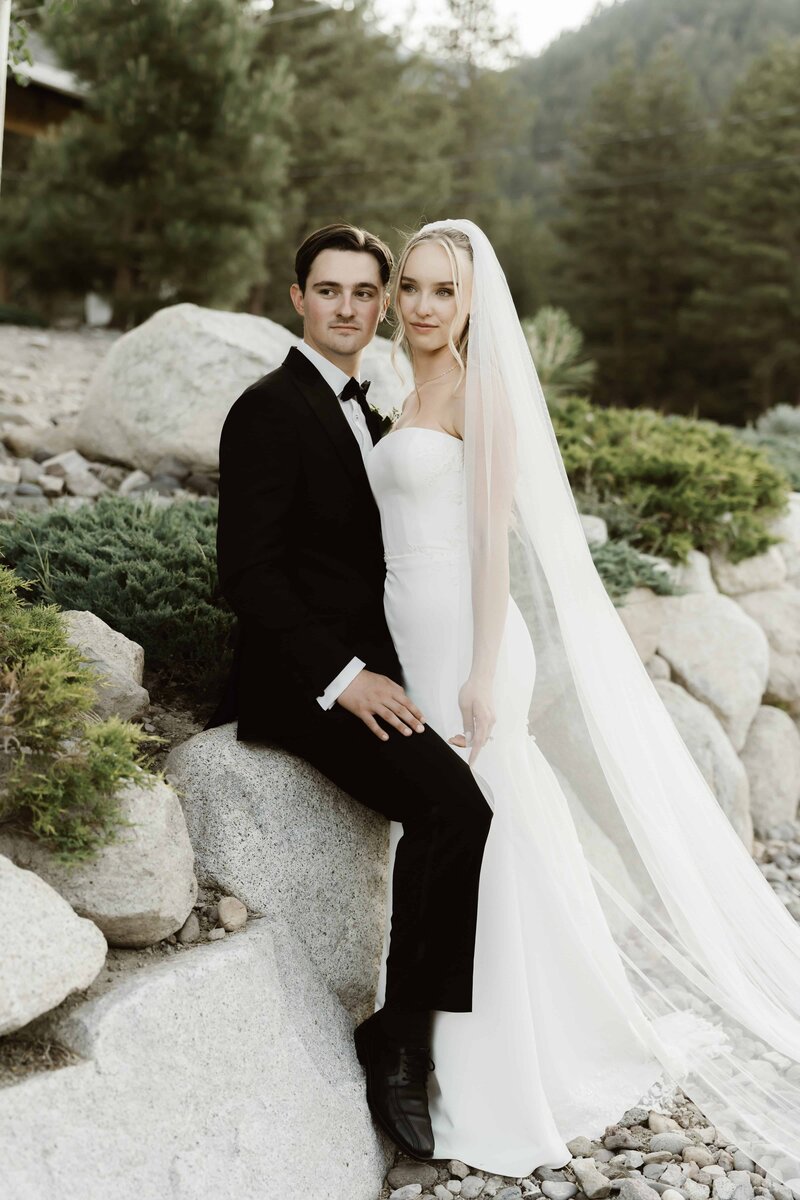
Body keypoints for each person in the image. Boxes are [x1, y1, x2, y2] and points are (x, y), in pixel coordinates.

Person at [361, 218, 800, 1182]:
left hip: (466, 637)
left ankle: (502, 1068)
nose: (425, 306)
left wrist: (480, 665)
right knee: (464, 827)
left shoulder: (482, 393)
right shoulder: (403, 385)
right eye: (415, 287)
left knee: (485, 824)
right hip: (409, 623)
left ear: (474, 302)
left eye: (445, 291)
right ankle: (454, 1034)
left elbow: (487, 543)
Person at [204, 222, 494, 1162]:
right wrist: (343, 680)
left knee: (460, 807)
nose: (350, 308)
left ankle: (416, 1032)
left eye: (365, 293)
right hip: (304, 687)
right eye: (328, 290)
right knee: (457, 809)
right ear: (298, 299)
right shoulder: (267, 407)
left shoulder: (373, 406)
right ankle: (399, 1038)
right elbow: (248, 574)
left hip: (386, 670)